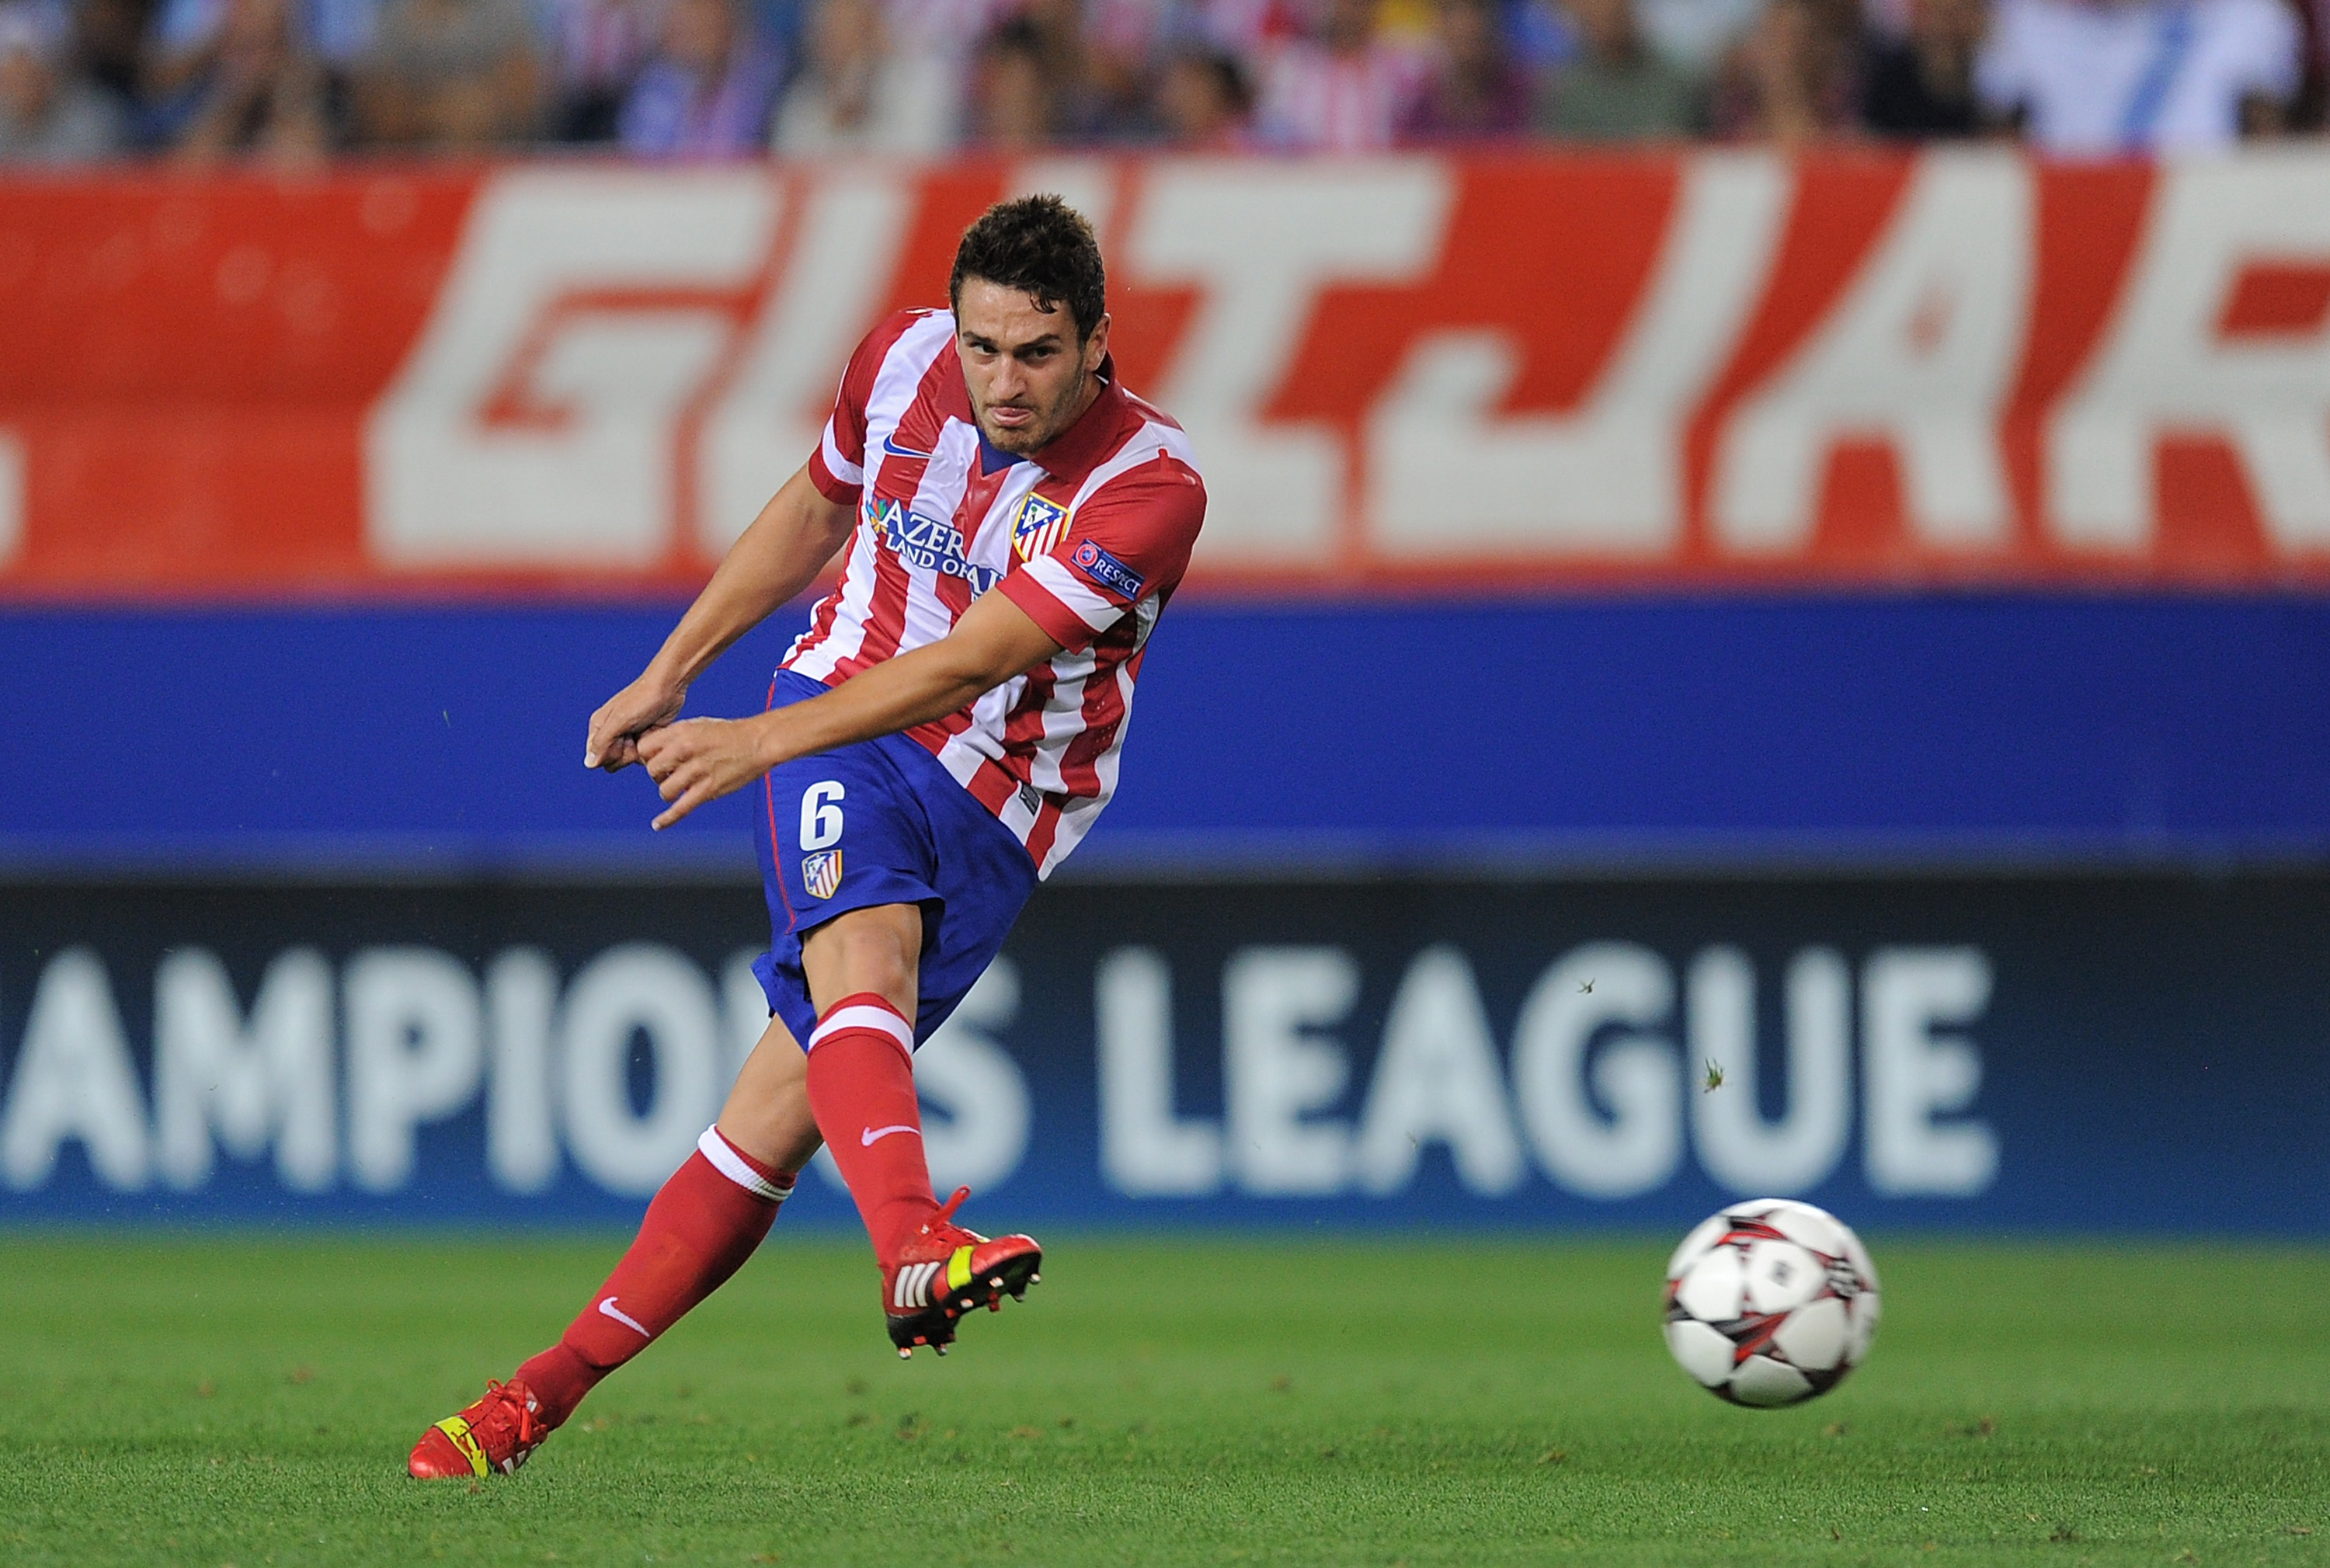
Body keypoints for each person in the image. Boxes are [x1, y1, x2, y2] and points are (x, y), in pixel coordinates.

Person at [407, 194, 1208, 1482]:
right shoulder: (897, 360)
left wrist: (751, 743)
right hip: (842, 710)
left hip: (1002, 805)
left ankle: (534, 1394)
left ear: (1099, 343)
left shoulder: (1150, 488)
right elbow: (817, 508)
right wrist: (676, 668)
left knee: (771, 1124)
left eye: (1038, 352)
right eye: (984, 346)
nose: (1004, 381)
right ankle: (912, 1242)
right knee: (864, 959)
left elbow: (975, 661)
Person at [1974, 0, 2299, 151]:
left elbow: (2269, 157)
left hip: (2205, 222)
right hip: (2070, 226)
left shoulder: (2247, 18)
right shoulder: (2023, 23)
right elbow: (1996, 160)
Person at [617, 0, 781, 155]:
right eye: (691, 27)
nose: (699, 36)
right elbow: (642, 154)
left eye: (710, 27)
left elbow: (741, 150)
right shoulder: (655, 89)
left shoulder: (750, 88)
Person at [1536, 0, 1699, 136]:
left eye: (1617, 15)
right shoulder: (1567, 89)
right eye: (1602, 17)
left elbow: (1699, 144)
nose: (1610, 25)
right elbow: (1557, 152)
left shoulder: (1676, 79)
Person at [0, 0, 128, 157]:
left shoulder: (94, 122)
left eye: (32, 73)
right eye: (13, 75)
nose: (23, 84)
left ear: (53, 74)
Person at [1398, 0, 1529, 139]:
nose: (1466, 25)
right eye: (1453, 11)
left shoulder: (1525, 100)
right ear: (1440, 24)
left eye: (1477, 9)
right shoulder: (1422, 114)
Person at [1862, 0, 1988, 134]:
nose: (1948, 26)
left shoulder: (1986, 72)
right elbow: (1871, 132)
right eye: (1942, 14)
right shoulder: (1891, 75)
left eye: (1958, 14)